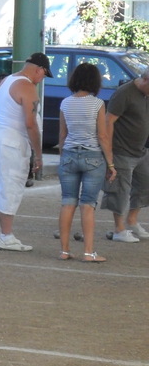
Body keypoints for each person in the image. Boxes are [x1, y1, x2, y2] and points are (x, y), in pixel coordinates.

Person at [0, 52, 49, 251]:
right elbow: (31, 125)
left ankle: (6, 233)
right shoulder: (28, 87)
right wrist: (38, 154)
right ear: (39, 69)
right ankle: (6, 235)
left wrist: (0, 128)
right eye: (44, 75)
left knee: (1, 186)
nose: (42, 80)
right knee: (11, 186)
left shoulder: (7, 81)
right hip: (12, 142)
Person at [57, 63, 114, 262]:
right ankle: (89, 252)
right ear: (94, 81)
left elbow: (62, 136)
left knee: (67, 202)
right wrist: (111, 164)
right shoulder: (98, 104)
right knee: (88, 205)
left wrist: (63, 157)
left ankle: (64, 250)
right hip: (93, 157)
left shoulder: (65, 103)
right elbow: (103, 136)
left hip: (69, 155)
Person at [100, 66, 149, 243]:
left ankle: (132, 220)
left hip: (141, 150)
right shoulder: (124, 93)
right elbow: (108, 120)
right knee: (120, 190)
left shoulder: (146, 93)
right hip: (121, 150)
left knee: (145, 185)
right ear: (145, 80)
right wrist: (109, 152)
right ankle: (119, 229)